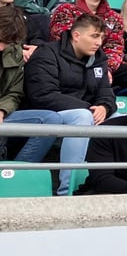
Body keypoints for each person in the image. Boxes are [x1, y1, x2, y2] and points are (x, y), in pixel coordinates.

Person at [23, 13, 116, 195]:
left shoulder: (99, 59)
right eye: (94, 36)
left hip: (85, 110)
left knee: (122, 119)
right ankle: (67, 190)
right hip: (47, 113)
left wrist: (104, 107)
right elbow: (42, 94)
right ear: (76, 35)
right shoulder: (47, 53)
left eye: (101, 37)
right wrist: (87, 109)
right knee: (82, 117)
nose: (99, 42)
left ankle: (117, 184)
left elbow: (106, 92)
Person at [0, 4, 62, 163]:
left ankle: (18, 173)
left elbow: (14, 93)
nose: (2, 46)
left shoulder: (14, 51)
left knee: (51, 120)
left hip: (3, 114)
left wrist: (2, 110)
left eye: (6, 42)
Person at [49, 0, 126, 71]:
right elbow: (63, 40)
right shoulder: (67, 10)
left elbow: (114, 47)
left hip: (102, 63)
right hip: (69, 62)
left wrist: (106, 68)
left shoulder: (114, 17)